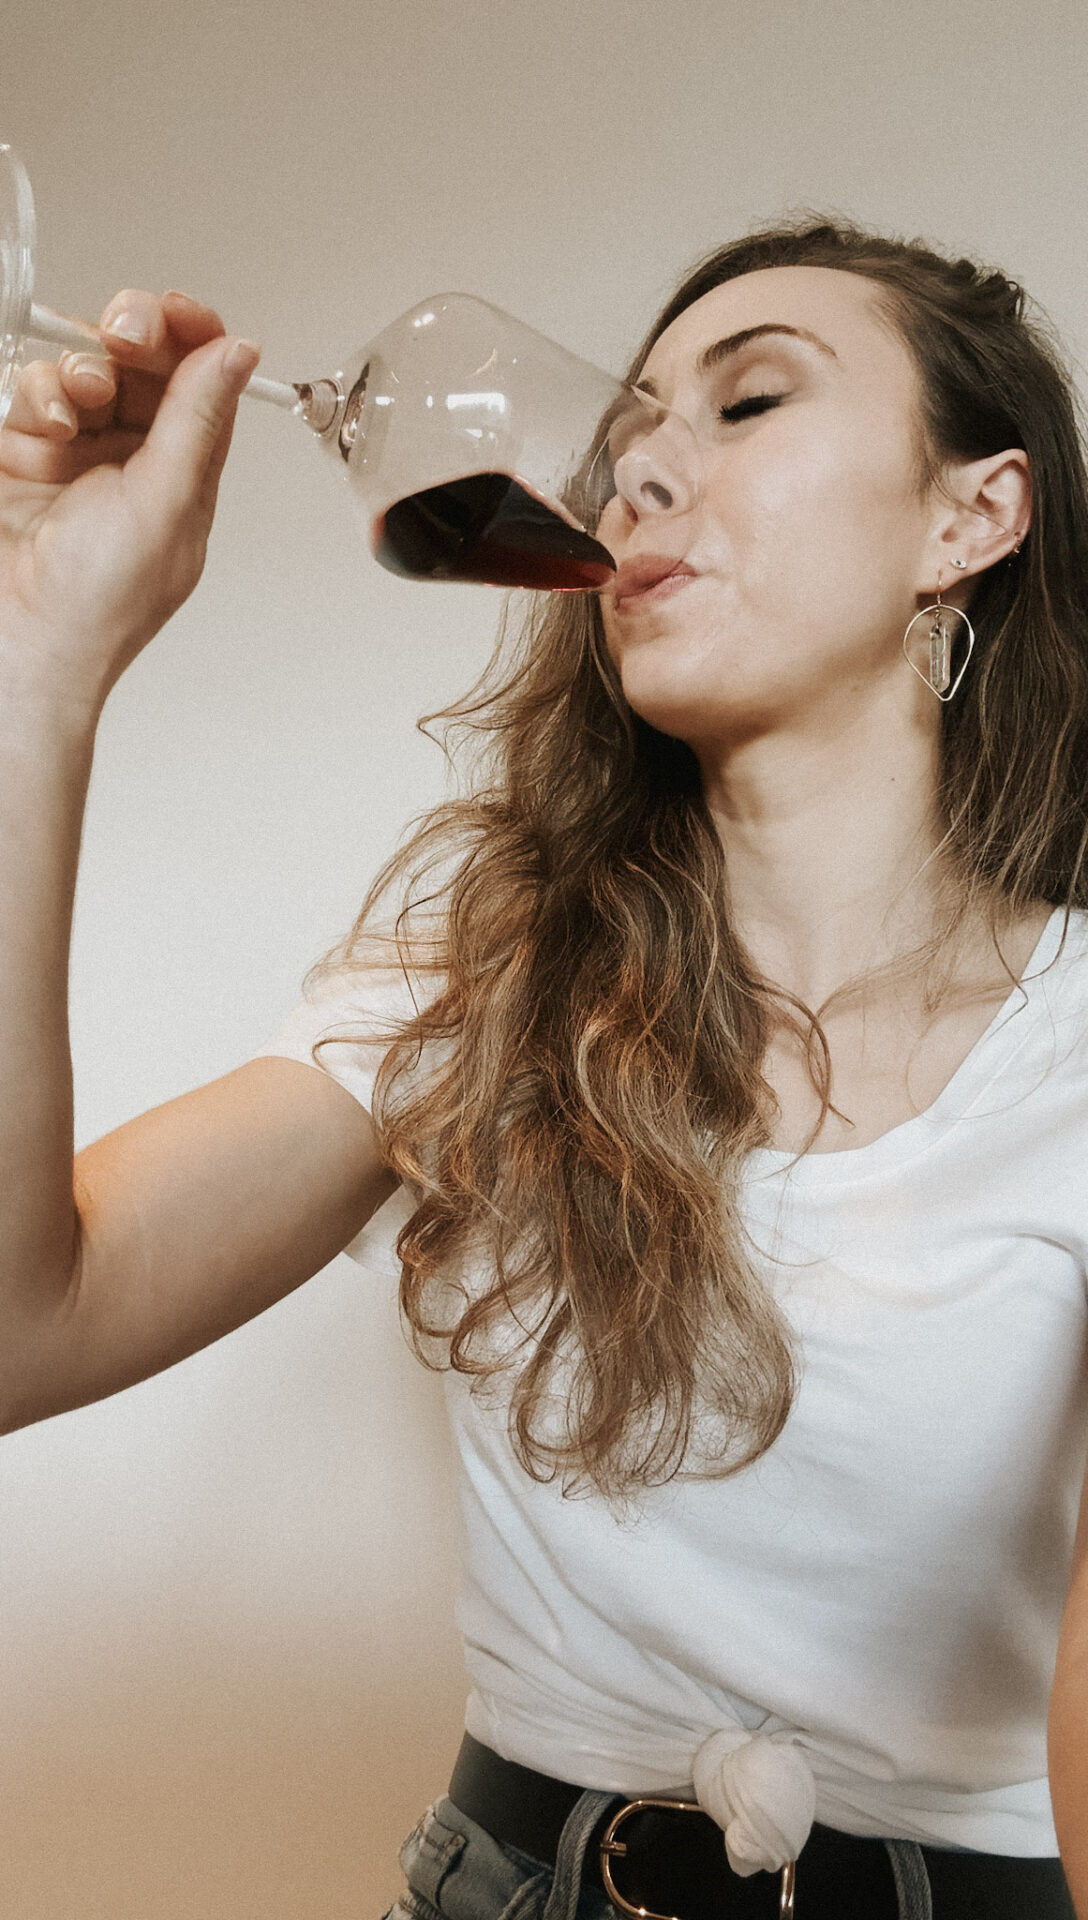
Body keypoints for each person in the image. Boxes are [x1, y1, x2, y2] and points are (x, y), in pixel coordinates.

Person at [0, 216, 1086, 1920]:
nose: (640, 467)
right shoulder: (480, 985)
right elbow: (15, 1326)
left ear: (971, 516)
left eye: (747, 405)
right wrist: (40, 662)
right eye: (633, 425)